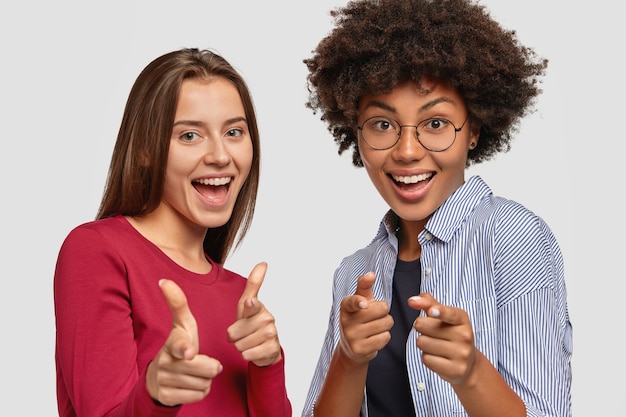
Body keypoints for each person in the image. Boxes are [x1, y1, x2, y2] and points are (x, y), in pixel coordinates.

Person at [301, 0, 572, 416]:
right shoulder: (354, 274)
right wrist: (349, 358)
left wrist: (471, 373)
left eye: (436, 123)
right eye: (383, 125)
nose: (407, 152)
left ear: (474, 129)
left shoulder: (513, 237)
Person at [53, 48, 292, 417]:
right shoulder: (97, 251)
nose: (220, 155)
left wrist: (269, 363)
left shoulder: (239, 296)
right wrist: (156, 395)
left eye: (234, 131)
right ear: (146, 149)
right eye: (190, 135)